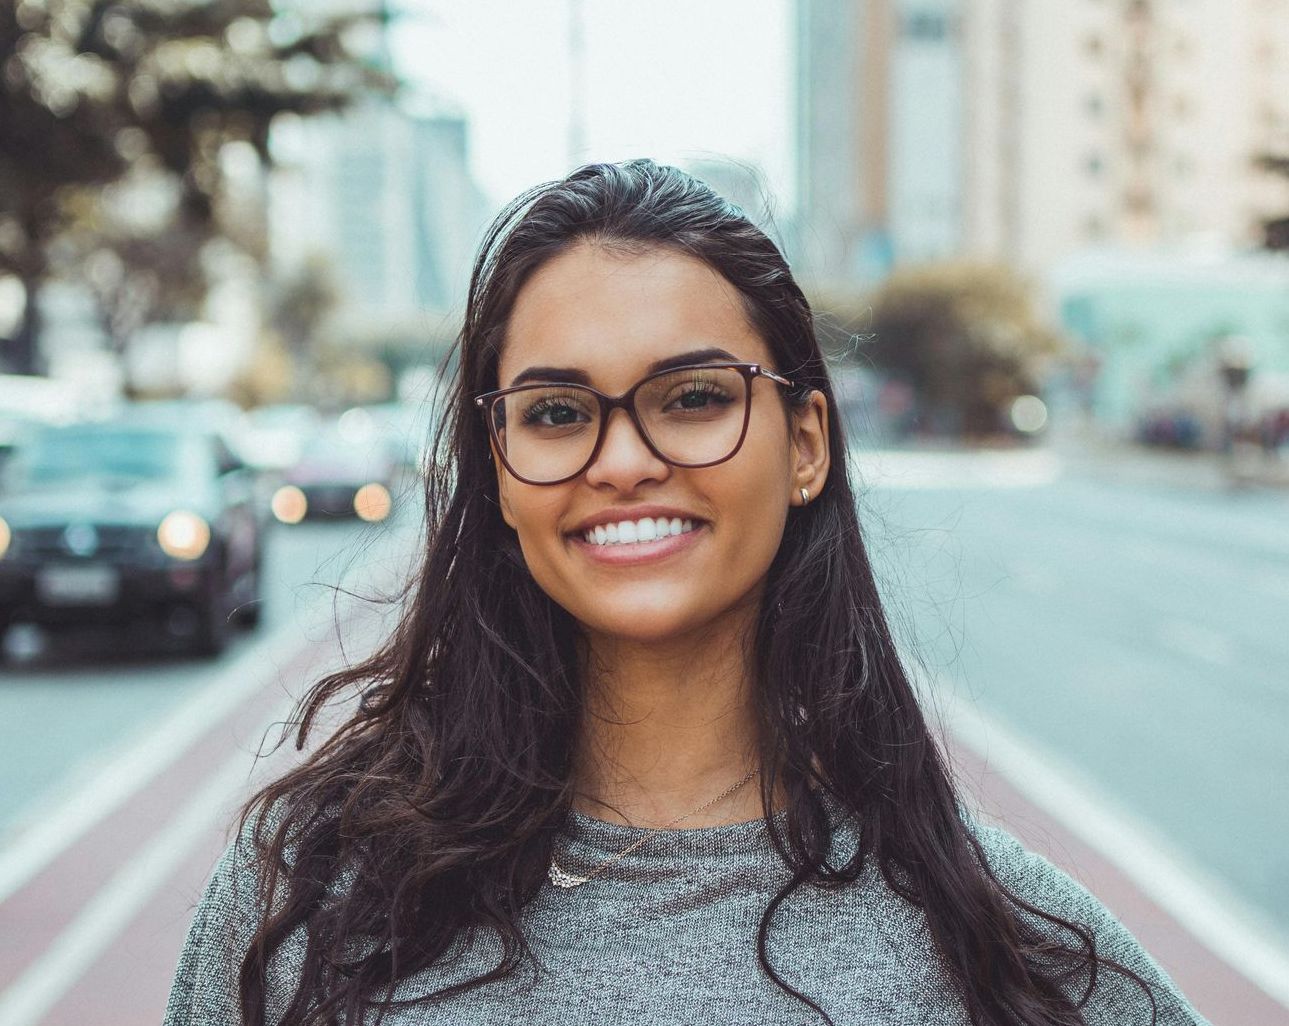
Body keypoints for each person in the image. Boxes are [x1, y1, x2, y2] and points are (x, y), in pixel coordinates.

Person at [164, 159, 1208, 1026]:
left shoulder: (1007, 948)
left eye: (693, 397)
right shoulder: (304, 902)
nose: (620, 460)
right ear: (496, 466)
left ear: (803, 445)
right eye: (558, 412)